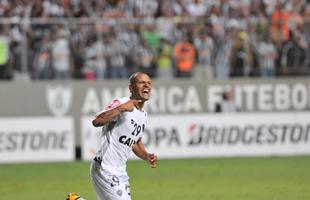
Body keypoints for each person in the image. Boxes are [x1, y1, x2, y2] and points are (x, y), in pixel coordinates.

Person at [90, 72, 158, 200]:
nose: (146, 86)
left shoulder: (143, 115)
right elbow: (97, 121)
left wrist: (146, 156)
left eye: (148, 83)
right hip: (105, 167)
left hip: (120, 170)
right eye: (141, 82)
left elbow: (135, 142)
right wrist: (120, 109)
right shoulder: (122, 103)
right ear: (131, 88)